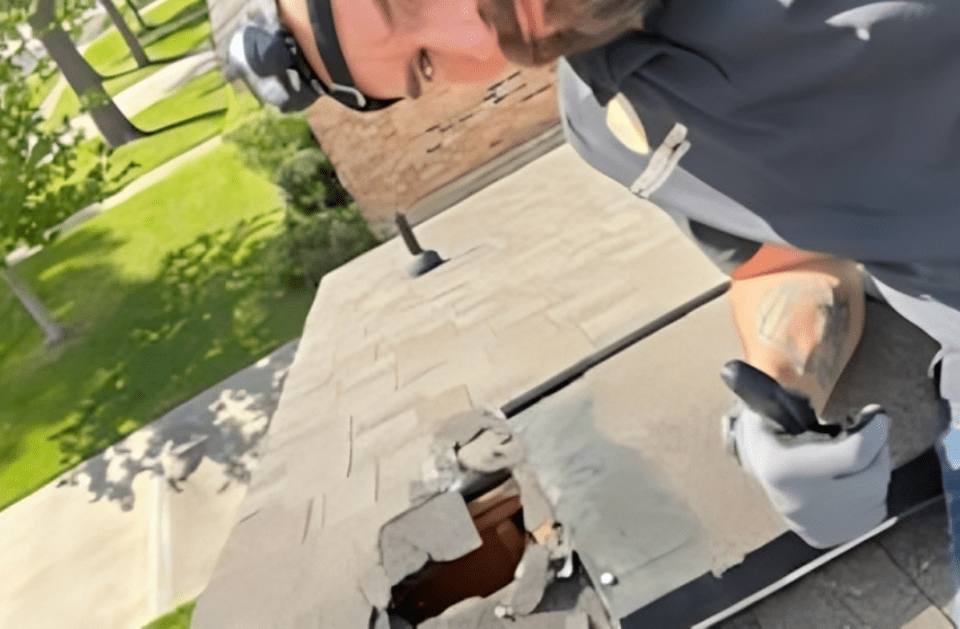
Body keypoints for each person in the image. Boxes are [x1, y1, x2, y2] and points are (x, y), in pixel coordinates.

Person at [227, 0, 960, 622]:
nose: (474, 38)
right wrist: (781, 397)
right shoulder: (616, 128)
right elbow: (789, 262)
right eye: (426, 66)